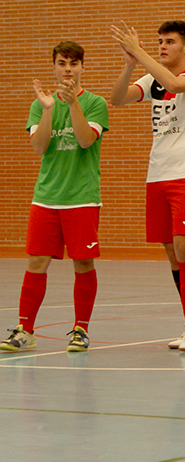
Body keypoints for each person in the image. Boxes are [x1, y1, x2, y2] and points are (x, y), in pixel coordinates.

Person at [109, 20, 185, 353]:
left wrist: (139, 52)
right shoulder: (151, 78)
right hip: (157, 175)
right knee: (171, 251)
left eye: (169, 41)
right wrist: (129, 65)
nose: (162, 46)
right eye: (159, 42)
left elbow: (173, 82)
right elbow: (118, 99)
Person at [1, 41, 108, 353]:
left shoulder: (95, 103)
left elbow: (86, 140)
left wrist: (72, 103)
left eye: (74, 64)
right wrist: (48, 109)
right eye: (62, 63)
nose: (68, 69)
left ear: (82, 67)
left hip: (82, 197)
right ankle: (25, 329)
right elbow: (39, 146)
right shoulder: (40, 104)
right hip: (46, 197)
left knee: (83, 263)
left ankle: (80, 329)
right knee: (36, 261)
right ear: (54, 67)